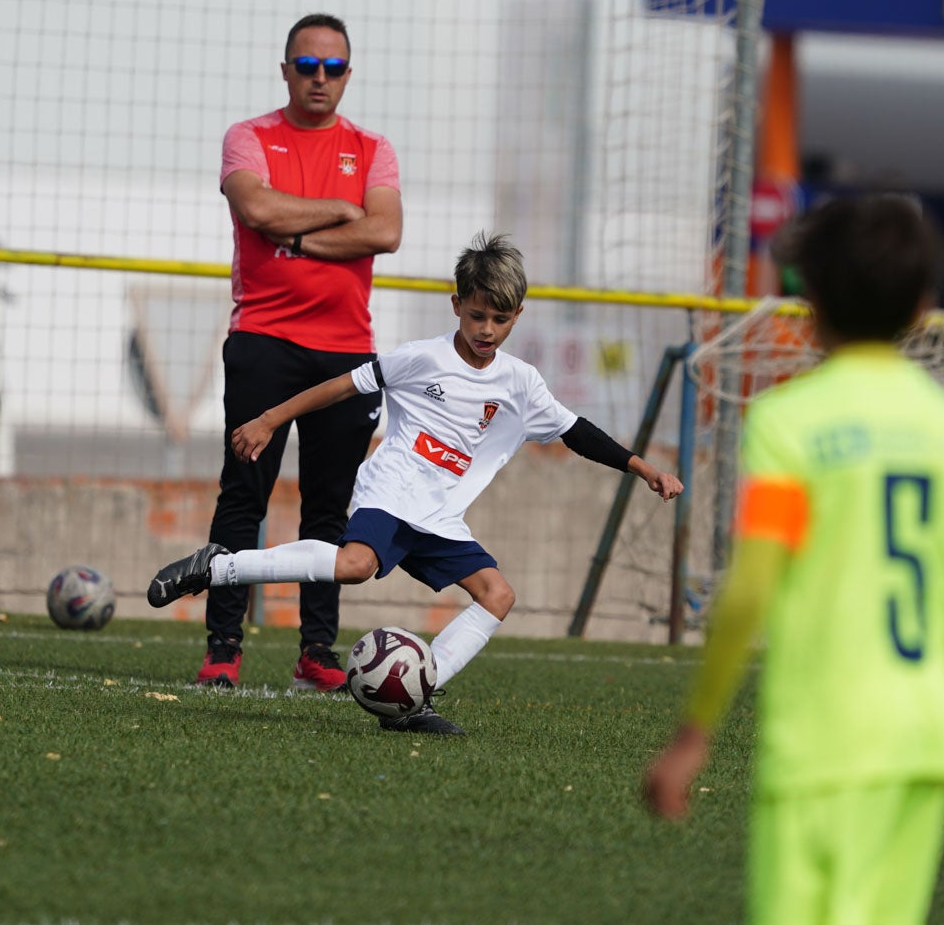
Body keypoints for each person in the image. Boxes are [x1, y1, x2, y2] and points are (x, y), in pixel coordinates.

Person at [642, 196, 944, 925]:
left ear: (811, 302)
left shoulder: (788, 424)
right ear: (922, 308)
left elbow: (748, 592)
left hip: (819, 744)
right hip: (920, 747)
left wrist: (694, 733)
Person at [149, 232, 684, 734]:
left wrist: (645, 469)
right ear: (457, 305)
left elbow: (577, 432)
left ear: (518, 316)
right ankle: (215, 567)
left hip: (439, 513)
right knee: (355, 565)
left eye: (500, 319)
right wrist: (269, 420)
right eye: (477, 315)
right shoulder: (421, 358)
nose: (486, 330)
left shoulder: (522, 383)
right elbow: (341, 387)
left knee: (498, 595)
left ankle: (412, 698)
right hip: (392, 488)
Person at [171, 13, 403, 691]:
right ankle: (223, 648)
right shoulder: (248, 137)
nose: (319, 78)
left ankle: (316, 653)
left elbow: (385, 232)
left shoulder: (373, 148)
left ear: (348, 75)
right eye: (306, 65)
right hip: (263, 342)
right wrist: (340, 210)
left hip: (347, 353)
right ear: (285, 71)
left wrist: (297, 235)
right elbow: (257, 210)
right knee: (243, 496)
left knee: (329, 509)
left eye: (332, 68)